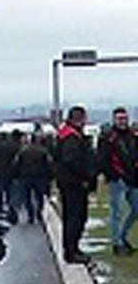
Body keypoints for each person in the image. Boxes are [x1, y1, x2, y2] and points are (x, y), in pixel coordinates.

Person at [95, 107, 138, 255]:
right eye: (120, 119)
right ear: (114, 120)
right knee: (117, 212)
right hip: (117, 180)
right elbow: (102, 160)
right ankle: (117, 244)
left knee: (136, 210)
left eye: (124, 118)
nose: (122, 121)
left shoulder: (132, 136)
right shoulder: (108, 138)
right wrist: (113, 175)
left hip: (133, 179)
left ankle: (122, 236)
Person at [56, 106, 95, 264]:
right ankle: (71, 251)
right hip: (73, 183)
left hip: (69, 182)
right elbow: (72, 161)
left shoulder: (68, 135)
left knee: (73, 217)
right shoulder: (71, 138)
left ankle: (72, 248)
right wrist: (85, 176)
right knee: (76, 217)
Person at [14, 133, 54, 223]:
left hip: (25, 176)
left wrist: (16, 175)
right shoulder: (43, 151)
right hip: (40, 176)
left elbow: (16, 163)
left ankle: (30, 214)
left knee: (26, 196)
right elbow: (49, 164)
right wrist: (50, 176)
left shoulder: (23, 151)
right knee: (40, 196)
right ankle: (39, 212)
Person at [0, 132, 19, 219]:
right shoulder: (16, 146)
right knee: (12, 191)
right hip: (13, 172)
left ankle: (1, 205)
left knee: (1, 189)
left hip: (1, 171)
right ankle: (12, 209)